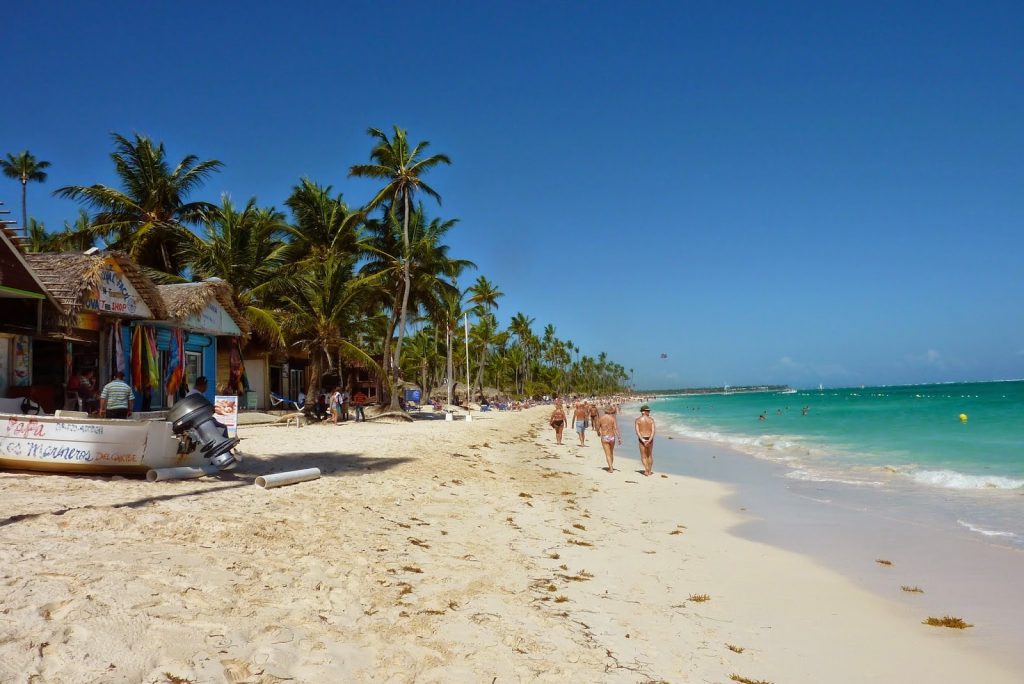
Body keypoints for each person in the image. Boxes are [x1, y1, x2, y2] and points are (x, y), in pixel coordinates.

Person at [597, 405, 622, 472]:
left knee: (607, 454)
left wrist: (598, 433)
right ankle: (611, 466)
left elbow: (598, 427)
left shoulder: (601, 418)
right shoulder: (612, 418)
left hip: (604, 436)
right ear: (610, 411)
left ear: (605, 411)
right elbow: (616, 428)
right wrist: (619, 438)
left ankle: (610, 468)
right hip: (612, 437)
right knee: (611, 453)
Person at [635, 404, 656, 476]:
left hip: (642, 439)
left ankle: (647, 470)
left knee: (644, 456)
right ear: (643, 411)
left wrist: (643, 440)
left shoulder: (638, 420)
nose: (649, 412)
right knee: (649, 455)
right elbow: (653, 431)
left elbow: (637, 432)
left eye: (649, 411)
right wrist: (649, 440)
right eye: (648, 411)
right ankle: (649, 471)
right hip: (650, 438)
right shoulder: (651, 420)